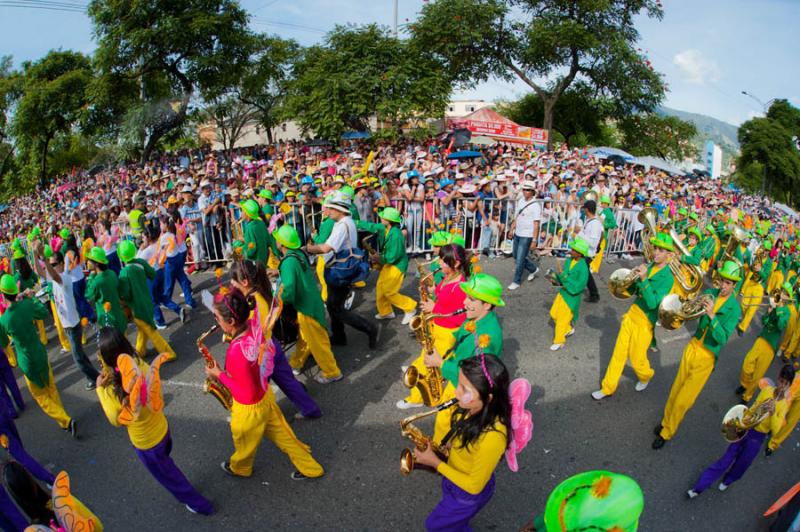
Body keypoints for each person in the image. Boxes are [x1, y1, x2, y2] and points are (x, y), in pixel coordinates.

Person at [204, 288, 325, 479]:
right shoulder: (254, 325)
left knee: (244, 443)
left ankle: (240, 468)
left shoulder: (236, 352)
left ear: (232, 321)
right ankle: (312, 468)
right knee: (285, 437)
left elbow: (245, 392)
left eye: (217, 318)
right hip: (265, 397)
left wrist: (219, 374)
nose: (216, 323)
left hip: (249, 409)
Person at [94, 327, 213, 515]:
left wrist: (100, 390)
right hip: (163, 430)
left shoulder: (113, 390)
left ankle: (199, 504)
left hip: (147, 444)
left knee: (169, 476)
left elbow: (115, 420)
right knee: (167, 462)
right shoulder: (138, 363)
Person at [415, 355, 513, 532]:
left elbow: (474, 487)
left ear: (488, 398)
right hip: (455, 479)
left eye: (463, 388)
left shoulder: (493, 437)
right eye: (457, 384)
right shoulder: (471, 409)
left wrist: (435, 463)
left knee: (434, 526)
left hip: (467, 494)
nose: (455, 392)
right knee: (453, 523)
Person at [652, 261, 742, 449]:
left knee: (684, 400)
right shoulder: (711, 294)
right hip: (693, 346)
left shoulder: (735, 309)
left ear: (734, 285)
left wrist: (712, 317)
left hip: (707, 355)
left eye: (728, 283)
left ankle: (667, 432)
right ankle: (665, 422)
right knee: (676, 389)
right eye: (723, 281)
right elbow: (692, 310)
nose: (723, 286)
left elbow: (723, 338)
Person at [230, 259, 322, 418]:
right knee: (289, 382)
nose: (231, 284)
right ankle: (310, 409)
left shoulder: (251, 304)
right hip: (272, 346)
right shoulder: (260, 294)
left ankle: (262, 419)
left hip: (260, 356)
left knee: (256, 390)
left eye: (233, 281)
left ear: (244, 282)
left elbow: (249, 334)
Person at [687, 364, 794, 498]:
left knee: (742, 464)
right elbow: (755, 406)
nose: (781, 385)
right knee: (725, 459)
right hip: (747, 429)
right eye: (781, 381)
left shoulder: (783, 405)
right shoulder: (767, 390)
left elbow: (776, 429)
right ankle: (699, 487)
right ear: (778, 378)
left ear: (789, 385)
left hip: (758, 438)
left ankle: (728, 480)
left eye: (785, 383)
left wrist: (773, 413)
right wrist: (744, 420)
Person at [592, 232, 675, 400]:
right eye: (656, 249)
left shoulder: (668, 278)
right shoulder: (650, 266)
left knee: (637, 359)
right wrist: (634, 280)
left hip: (645, 321)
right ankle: (607, 387)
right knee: (619, 352)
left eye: (661, 250)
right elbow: (636, 291)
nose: (656, 253)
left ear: (669, 255)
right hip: (632, 314)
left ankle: (646, 376)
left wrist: (643, 280)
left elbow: (653, 304)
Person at [423, 273, 505, 443]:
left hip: (466, 388)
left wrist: (440, 363)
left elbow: (475, 375)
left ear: (487, 305)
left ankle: (443, 452)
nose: (464, 303)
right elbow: (460, 340)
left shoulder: (488, 337)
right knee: (445, 421)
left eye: (471, 299)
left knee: (448, 422)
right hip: (456, 378)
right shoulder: (475, 318)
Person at [0, 274, 76, 436]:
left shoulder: (4, 319)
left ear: (3, 295)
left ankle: (66, 420)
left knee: (40, 396)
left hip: (25, 360)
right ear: (16, 290)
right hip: (40, 353)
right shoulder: (27, 305)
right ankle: (64, 421)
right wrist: (30, 298)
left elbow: (4, 342)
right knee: (51, 388)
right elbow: (43, 313)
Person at [397, 243, 469, 410]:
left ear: (456, 263)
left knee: (423, 365)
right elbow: (442, 296)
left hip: (447, 333)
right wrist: (432, 290)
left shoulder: (460, 286)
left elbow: (460, 318)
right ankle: (430, 393)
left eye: (444, 261)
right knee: (427, 362)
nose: (439, 264)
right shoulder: (448, 276)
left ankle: (417, 398)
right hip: (437, 327)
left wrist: (434, 308)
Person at [272, 224, 343, 384]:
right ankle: (296, 363)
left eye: (277, 239)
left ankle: (332, 372)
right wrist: (279, 272)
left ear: (282, 243)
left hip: (306, 307)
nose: (275, 240)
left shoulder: (288, 262)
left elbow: (289, 289)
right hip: (311, 302)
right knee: (305, 337)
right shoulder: (297, 253)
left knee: (318, 342)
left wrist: (279, 300)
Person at [305, 192, 378, 348]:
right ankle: (339, 336)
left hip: (339, 272)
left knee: (337, 309)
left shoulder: (342, 225)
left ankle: (369, 328)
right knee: (333, 306)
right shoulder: (345, 222)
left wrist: (306, 249)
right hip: (339, 269)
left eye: (331, 208)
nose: (328, 210)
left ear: (340, 209)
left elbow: (325, 248)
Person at [33, 242, 101, 390]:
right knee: (81, 355)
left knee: (77, 358)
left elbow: (52, 274)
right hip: (67, 324)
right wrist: (34, 254)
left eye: (54, 263)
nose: (51, 266)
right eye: (51, 264)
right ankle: (95, 376)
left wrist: (44, 258)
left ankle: (96, 378)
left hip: (73, 324)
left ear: (62, 263)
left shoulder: (65, 278)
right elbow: (39, 271)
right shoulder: (54, 277)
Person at [117, 240, 177, 361]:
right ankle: (140, 351)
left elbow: (124, 293)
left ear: (121, 256)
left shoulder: (124, 272)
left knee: (151, 331)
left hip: (137, 307)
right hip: (147, 301)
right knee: (143, 329)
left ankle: (168, 353)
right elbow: (152, 274)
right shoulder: (140, 262)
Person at [357, 206, 418, 324]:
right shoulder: (384, 227)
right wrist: (355, 222)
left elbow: (393, 257)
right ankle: (386, 312)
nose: (380, 217)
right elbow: (371, 226)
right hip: (389, 263)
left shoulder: (396, 235)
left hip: (397, 265)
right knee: (380, 286)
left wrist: (377, 258)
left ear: (388, 220)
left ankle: (410, 308)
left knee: (389, 291)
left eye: (382, 216)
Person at [736, 282, 792, 402]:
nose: (782, 294)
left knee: (757, 374)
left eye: (785, 293)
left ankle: (747, 396)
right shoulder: (774, 304)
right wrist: (769, 311)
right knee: (747, 363)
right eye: (782, 291)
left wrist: (778, 309)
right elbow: (764, 321)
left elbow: (781, 326)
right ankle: (745, 384)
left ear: (788, 298)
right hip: (762, 338)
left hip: (771, 346)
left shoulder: (786, 311)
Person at [548, 238, 590, 351]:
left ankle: (559, 341)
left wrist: (564, 278)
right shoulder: (569, 260)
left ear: (580, 253)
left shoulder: (584, 269)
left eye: (573, 250)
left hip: (571, 298)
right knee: (553, 313)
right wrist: (555, 278)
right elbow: (563, 275)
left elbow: (578, 287)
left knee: (561, 320)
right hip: (563, 292)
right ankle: (568, 329)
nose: (570, 251)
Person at [85, 246, 128, 334]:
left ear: (96, 263)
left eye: (89, 260)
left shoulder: (96, 281)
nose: (87, 262)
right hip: (118, 314)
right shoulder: (112, 273)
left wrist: (91, 276)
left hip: (106, 318)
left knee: (113, 345)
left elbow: (89, 295)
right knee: (124, 342)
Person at [158, 215, 196, 312]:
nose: (160, 225)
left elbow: (158, 249)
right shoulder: (173, 233)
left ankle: (167, 301)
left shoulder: (165, 237)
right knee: (182, 280)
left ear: (166, 225)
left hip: (170, 261)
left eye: (161, 224)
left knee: (169, 282)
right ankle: (189, 301)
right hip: (177, 257)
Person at [507, 180, 540, 291]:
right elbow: (517, 217)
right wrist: (511, 230)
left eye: (528, 190)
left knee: (520, 259)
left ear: (532, 192)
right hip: (518, 233)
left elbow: (536, 224)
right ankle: (533, 269)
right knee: (516, 256)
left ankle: (516, 281)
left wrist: (534, 240)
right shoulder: (521, 200)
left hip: (527, 235)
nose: (525, 191)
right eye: (524, 189)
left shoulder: (536, 205)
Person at [576, 200, 603, 303]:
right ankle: (594, 294)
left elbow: (593, 243)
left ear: (587, 209)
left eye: (584, 208)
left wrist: (580, 233)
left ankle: (594, 294)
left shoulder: (595, 224)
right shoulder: (589, 220)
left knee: (583, 273)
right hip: (583, 251)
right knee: (585, 273)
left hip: (588, 254)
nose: (583, 210)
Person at [240, 199, 270, 265]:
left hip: (254, 262)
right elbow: (268, 240)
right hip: (263, 259)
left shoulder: (250, 227)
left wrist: (243, 254)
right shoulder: (261, 223)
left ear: (247, 213)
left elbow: (252, 248)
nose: (241, 213)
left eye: (242, 211)